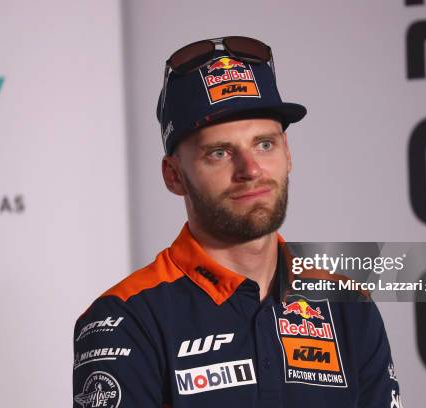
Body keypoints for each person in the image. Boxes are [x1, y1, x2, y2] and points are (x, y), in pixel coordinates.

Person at [73, 36, 402, 408]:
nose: (251, 170)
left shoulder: (347, 305)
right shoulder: (125, 319)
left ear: (288, 154)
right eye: (219, 152)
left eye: (265, 144)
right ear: (174, 175)